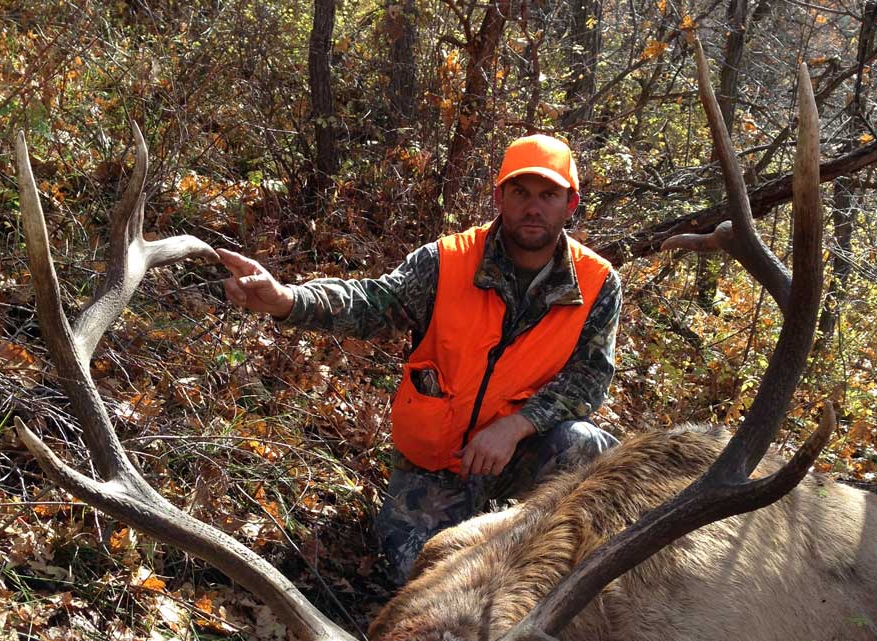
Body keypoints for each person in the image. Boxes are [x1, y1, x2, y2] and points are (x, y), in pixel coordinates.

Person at [216, 134, 621, 583]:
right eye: (520, 192)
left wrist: (515, 427)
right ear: (499, 196)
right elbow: (370, 303)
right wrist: (287, 301)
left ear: (570, 203)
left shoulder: (597, 283)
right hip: (439, 464)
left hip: (520, 454)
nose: (533, 207)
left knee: (592, 452)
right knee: (422, 579)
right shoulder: (447, 262)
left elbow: (590, 377)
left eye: (548, 194)